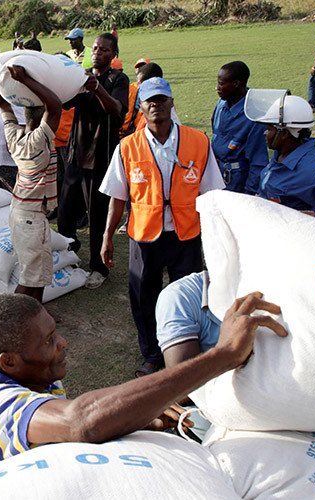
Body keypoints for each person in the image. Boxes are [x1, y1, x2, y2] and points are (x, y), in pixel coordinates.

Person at [0, 292, 287, 475]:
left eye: (55, 331)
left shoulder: (35, 380)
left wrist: (136, 418)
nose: (63, 343)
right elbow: (79, 422)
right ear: (8, 362)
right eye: (49, 340)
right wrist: (224, 354)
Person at [99, 77, 225, 378]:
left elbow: (211, 194)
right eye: (149, 101)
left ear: (171, 102)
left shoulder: (198, 141)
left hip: (187, 234)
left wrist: (217, 236)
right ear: (141, 107)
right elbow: (118, 196)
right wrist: (107, 237)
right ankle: (153, 354)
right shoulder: (128, 147)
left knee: (193, 296)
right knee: (144, 296)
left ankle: (193, 351)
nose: (156, 105)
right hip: (145, 234)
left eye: (162, 99)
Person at [60, 33, 130, 290]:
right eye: (96, 48)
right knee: (66, 215)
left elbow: (116, 109)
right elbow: (66, 102)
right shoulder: (82, 75)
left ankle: (99, 268)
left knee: (98, 217)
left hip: (101, 159)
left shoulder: (117, 79)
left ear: (113, 55)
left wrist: (97, 87)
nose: (97, 53)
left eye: (104, 50)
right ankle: (68, 260)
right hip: (75, 156)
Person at [0, 66, 60, 303]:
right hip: (30, 216)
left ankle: (36, 311)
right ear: (43, 122)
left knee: (38, 270)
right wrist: (24, 79)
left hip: (25, 212)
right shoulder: (38, 141)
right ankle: (13, 313)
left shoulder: (14, 136)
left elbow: (4, 107)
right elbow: (56, 105)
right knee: (30, 275)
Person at [246, 93, 315, 219]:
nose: (265, 133)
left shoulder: (311, 170)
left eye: (269, 129)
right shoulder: (281, 155)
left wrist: (311, 218)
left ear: (283, 133)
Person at [211, 61, 270, 194]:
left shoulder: (254, 115)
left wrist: (249, 194)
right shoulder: (222, 103)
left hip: (237, 183)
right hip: (216, 176)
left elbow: (258, 161)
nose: (217, 88)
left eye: (221, 83)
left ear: (236, 84)